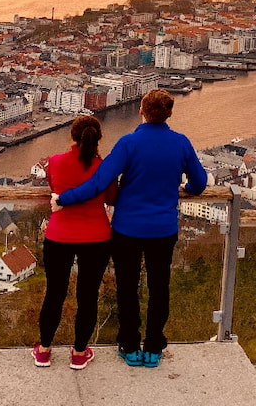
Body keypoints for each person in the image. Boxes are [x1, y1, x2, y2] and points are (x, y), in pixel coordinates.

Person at [52, 89, 208, 368]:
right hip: (163, 228)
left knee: (128, 287)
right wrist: (188, 188)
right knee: (159, 287)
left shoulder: (128, 143)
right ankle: (154, 347)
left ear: (141, 111)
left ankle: (130, 345)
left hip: (127, 229)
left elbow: (99, 182)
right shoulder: (181, 143)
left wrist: (64, 199)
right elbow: (199, 182)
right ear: (170, 113)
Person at [33, 115, 115, 370]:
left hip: (59, 236)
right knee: (87, 296)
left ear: (72, 136)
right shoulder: (105, 167)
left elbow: (54, 188)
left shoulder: (55, 162)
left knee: (54, 294)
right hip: (97, 236)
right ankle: (79, 353)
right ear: (98, 138)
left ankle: (44, 350)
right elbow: (112, 198)